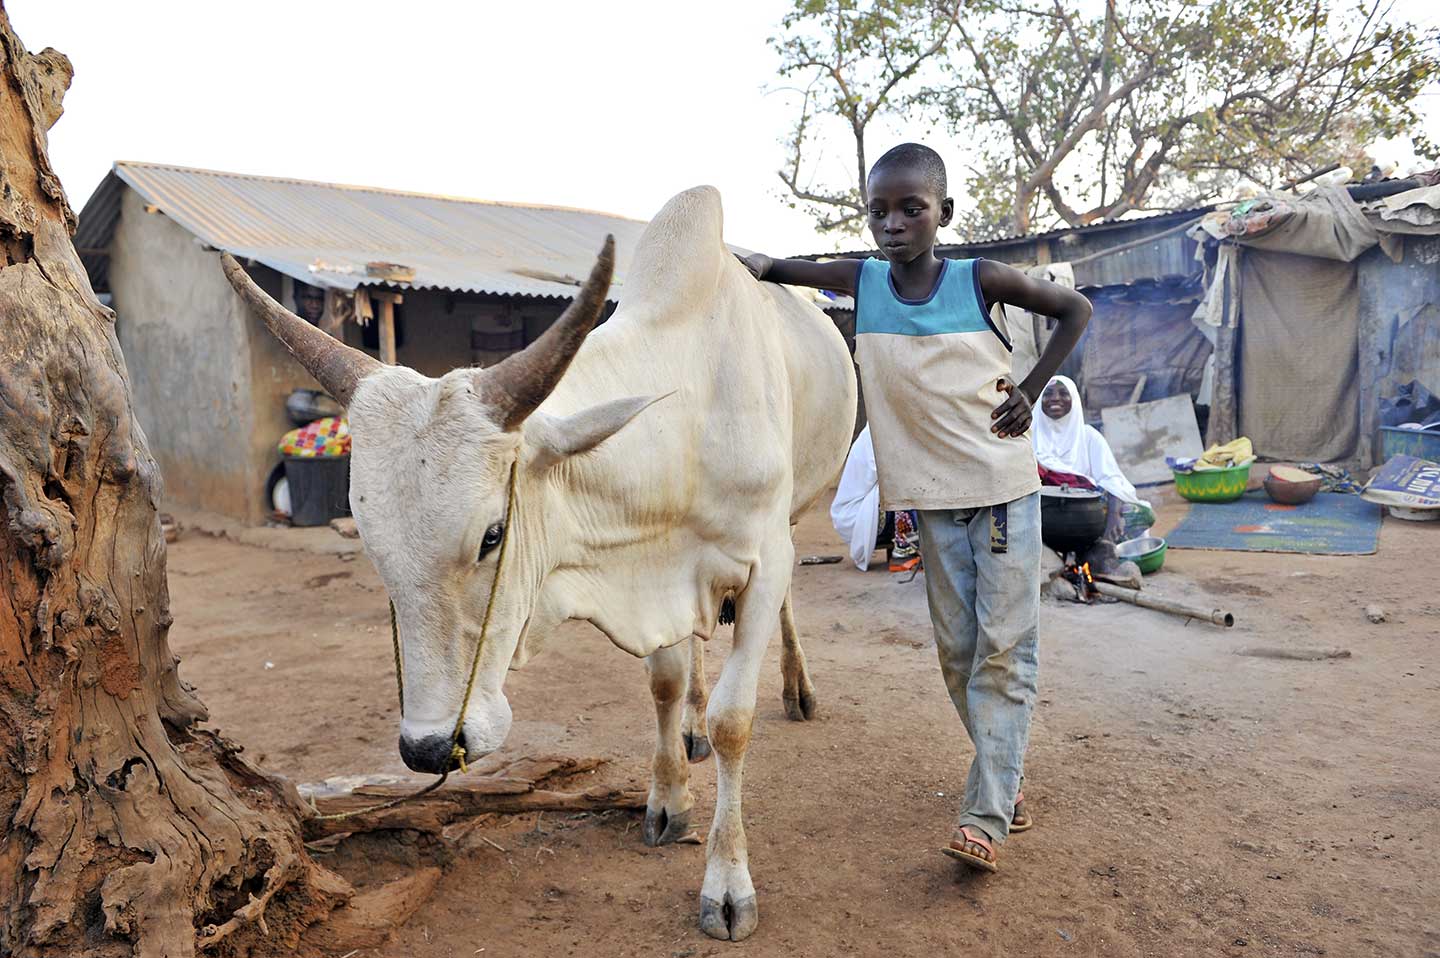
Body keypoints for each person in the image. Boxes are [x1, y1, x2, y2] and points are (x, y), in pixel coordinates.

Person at [740, 143, 1091, 873]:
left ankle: (985, 817)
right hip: (932, 502)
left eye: (911, 208)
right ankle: (1006, 775)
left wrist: (1031, 388)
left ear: (944, 214)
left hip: (1000, 490)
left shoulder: (979, 278)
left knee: (1004, 651)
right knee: (960, 654)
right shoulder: (860, 283)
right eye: (879, 211)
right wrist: (745, 265)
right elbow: (778, 269)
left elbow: (1075, 309)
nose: (893, 224)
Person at [1033, 376, 1150, 542]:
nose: (1055, 398)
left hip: (1086, 512)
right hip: (1045, 511)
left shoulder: (1088, 436)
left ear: (1074, 399)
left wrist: (1113, 516)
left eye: (1063, 393)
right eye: (1048, 393)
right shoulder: (1029, 436)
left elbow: (1111, 479)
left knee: (1139, 514)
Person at [831, 425, 923, 573]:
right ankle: (903, 552)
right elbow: (887, 471)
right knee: (905, 480)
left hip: (870, 509)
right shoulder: (879, 427)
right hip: (856, 517)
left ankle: (913, 545)